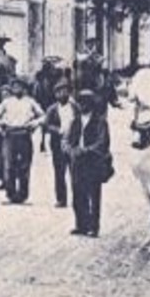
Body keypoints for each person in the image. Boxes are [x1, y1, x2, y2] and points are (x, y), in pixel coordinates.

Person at [65, 89, 113, 237]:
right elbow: (67, 139)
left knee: (93, 194)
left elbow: (102, 142)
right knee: (77, 193)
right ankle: (81, 224)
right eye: (80, 102)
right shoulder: (75, 121)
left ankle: (93, 226)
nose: (82, 105)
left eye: (85, 102)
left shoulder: (100, 122)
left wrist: (85, 150)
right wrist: (70, 150)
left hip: (92, 162)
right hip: (77, 162)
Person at [0, 77, 44, 205]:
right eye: (14, 86)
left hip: (24, 134)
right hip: (10, 135)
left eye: (19, 86)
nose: (17, 89)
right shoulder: (7, 102)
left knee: (24, 166)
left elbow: (43, 116)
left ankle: (22, 195)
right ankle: (11, 194)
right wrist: (2, 124)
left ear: (24, 88)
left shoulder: (30, 102)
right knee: (9, 166)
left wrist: (34, 123)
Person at [41, 80, 78, 209]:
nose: (62, 94)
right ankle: (61, 199)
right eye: (59, 92)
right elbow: (46, 124)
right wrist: (57, 130)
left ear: (69, 92)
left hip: (73, 143)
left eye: (65, 91)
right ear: (55, 94)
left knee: (75, 172)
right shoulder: (52, 109)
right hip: (57, 143)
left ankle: (77, 198)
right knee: (59, 172)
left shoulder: (75, 107)